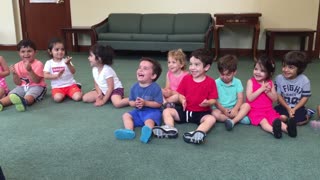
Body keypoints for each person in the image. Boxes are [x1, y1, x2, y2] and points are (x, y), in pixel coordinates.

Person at [153, 48, 217, 144]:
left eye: (197, 64)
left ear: (206, 67)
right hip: (185, 110)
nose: (192, 67)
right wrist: (182, 99)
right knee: (167, 111)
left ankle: (198, 132)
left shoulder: (211, 82)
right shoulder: (186, 78)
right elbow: (180, 94)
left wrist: (208, 102)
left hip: (201, 113)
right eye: (191, 64)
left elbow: (213, 99)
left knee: (211, 119)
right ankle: (170, 128)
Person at [246, 55, 296, 139]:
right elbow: (250, 98)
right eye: (256, 69)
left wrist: (268, 92)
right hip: (255, 110)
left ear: (269, 73)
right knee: (264, 122)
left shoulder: (270, 82)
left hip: (268, 110)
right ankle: (274, 131)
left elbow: (275, 99)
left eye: (262, 70)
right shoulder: (250, 82)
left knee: (276, 120)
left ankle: (289, 130)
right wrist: (261, 89)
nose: (257, 72)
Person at [114, 57, 163, 143]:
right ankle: (129, 131)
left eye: (145, 68)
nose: (140, 70)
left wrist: (146, 103)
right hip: (138, 111)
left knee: (150, 120)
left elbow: (159, 103)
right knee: (126, 115)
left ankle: (147, 131)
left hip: (152, 112)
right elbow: (130, 101)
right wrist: (135, 104)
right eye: (140, 67)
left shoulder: (155, 87)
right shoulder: (134, 87)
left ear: (153, 75)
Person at [0, 39, 47, 112]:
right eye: (23, 51)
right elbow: (18, 83)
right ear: (18, 53)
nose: (26, 54)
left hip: (37, 86)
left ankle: (24, 102)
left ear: (35, 52)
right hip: (22, 86)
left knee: (29, 96)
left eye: (29, 51)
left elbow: (37, 81)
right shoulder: (17, 65)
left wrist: (30, 70)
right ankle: (1, 103)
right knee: (12, 95)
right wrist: (15, 74)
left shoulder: (38, 64)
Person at [211, 55, 251, 131]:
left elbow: (240, 98)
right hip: (220, 109)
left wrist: (235, 109)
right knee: (214, 113)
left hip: (234, 108)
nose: (225, 77)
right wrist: (223, 110)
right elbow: (215, 100)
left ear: (234, 72)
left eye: (228, 75)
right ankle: (236, 119)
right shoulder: (215, 83)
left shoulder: (238, 82)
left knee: (247, 106)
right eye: (222, 74)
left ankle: (233, 121)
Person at [274, 51, 313, 126]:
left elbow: (305, 97)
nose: (285, 69)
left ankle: (308, 113)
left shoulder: (305, 80)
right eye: (284, 66)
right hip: (283, 106)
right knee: (272, 113)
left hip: (298, 107)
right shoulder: (279, 78)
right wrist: (288, 108)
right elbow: (278, 96)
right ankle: (286, 118)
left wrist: (294, 109)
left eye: (290, 67)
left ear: (299, 69)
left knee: (300, 121)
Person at [43, 38, 82, 102]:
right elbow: (45, 75)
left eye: (62, 49)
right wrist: (56, 76)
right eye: (57, 49)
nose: (60, 51)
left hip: (70, 85)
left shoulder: (66, 61)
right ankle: (68, 93)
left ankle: (76, 87)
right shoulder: (49, 63)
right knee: (58, 99)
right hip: (57, 87)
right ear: (50, 51)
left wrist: (68, 64)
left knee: (78, 97)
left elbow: (73, 72)